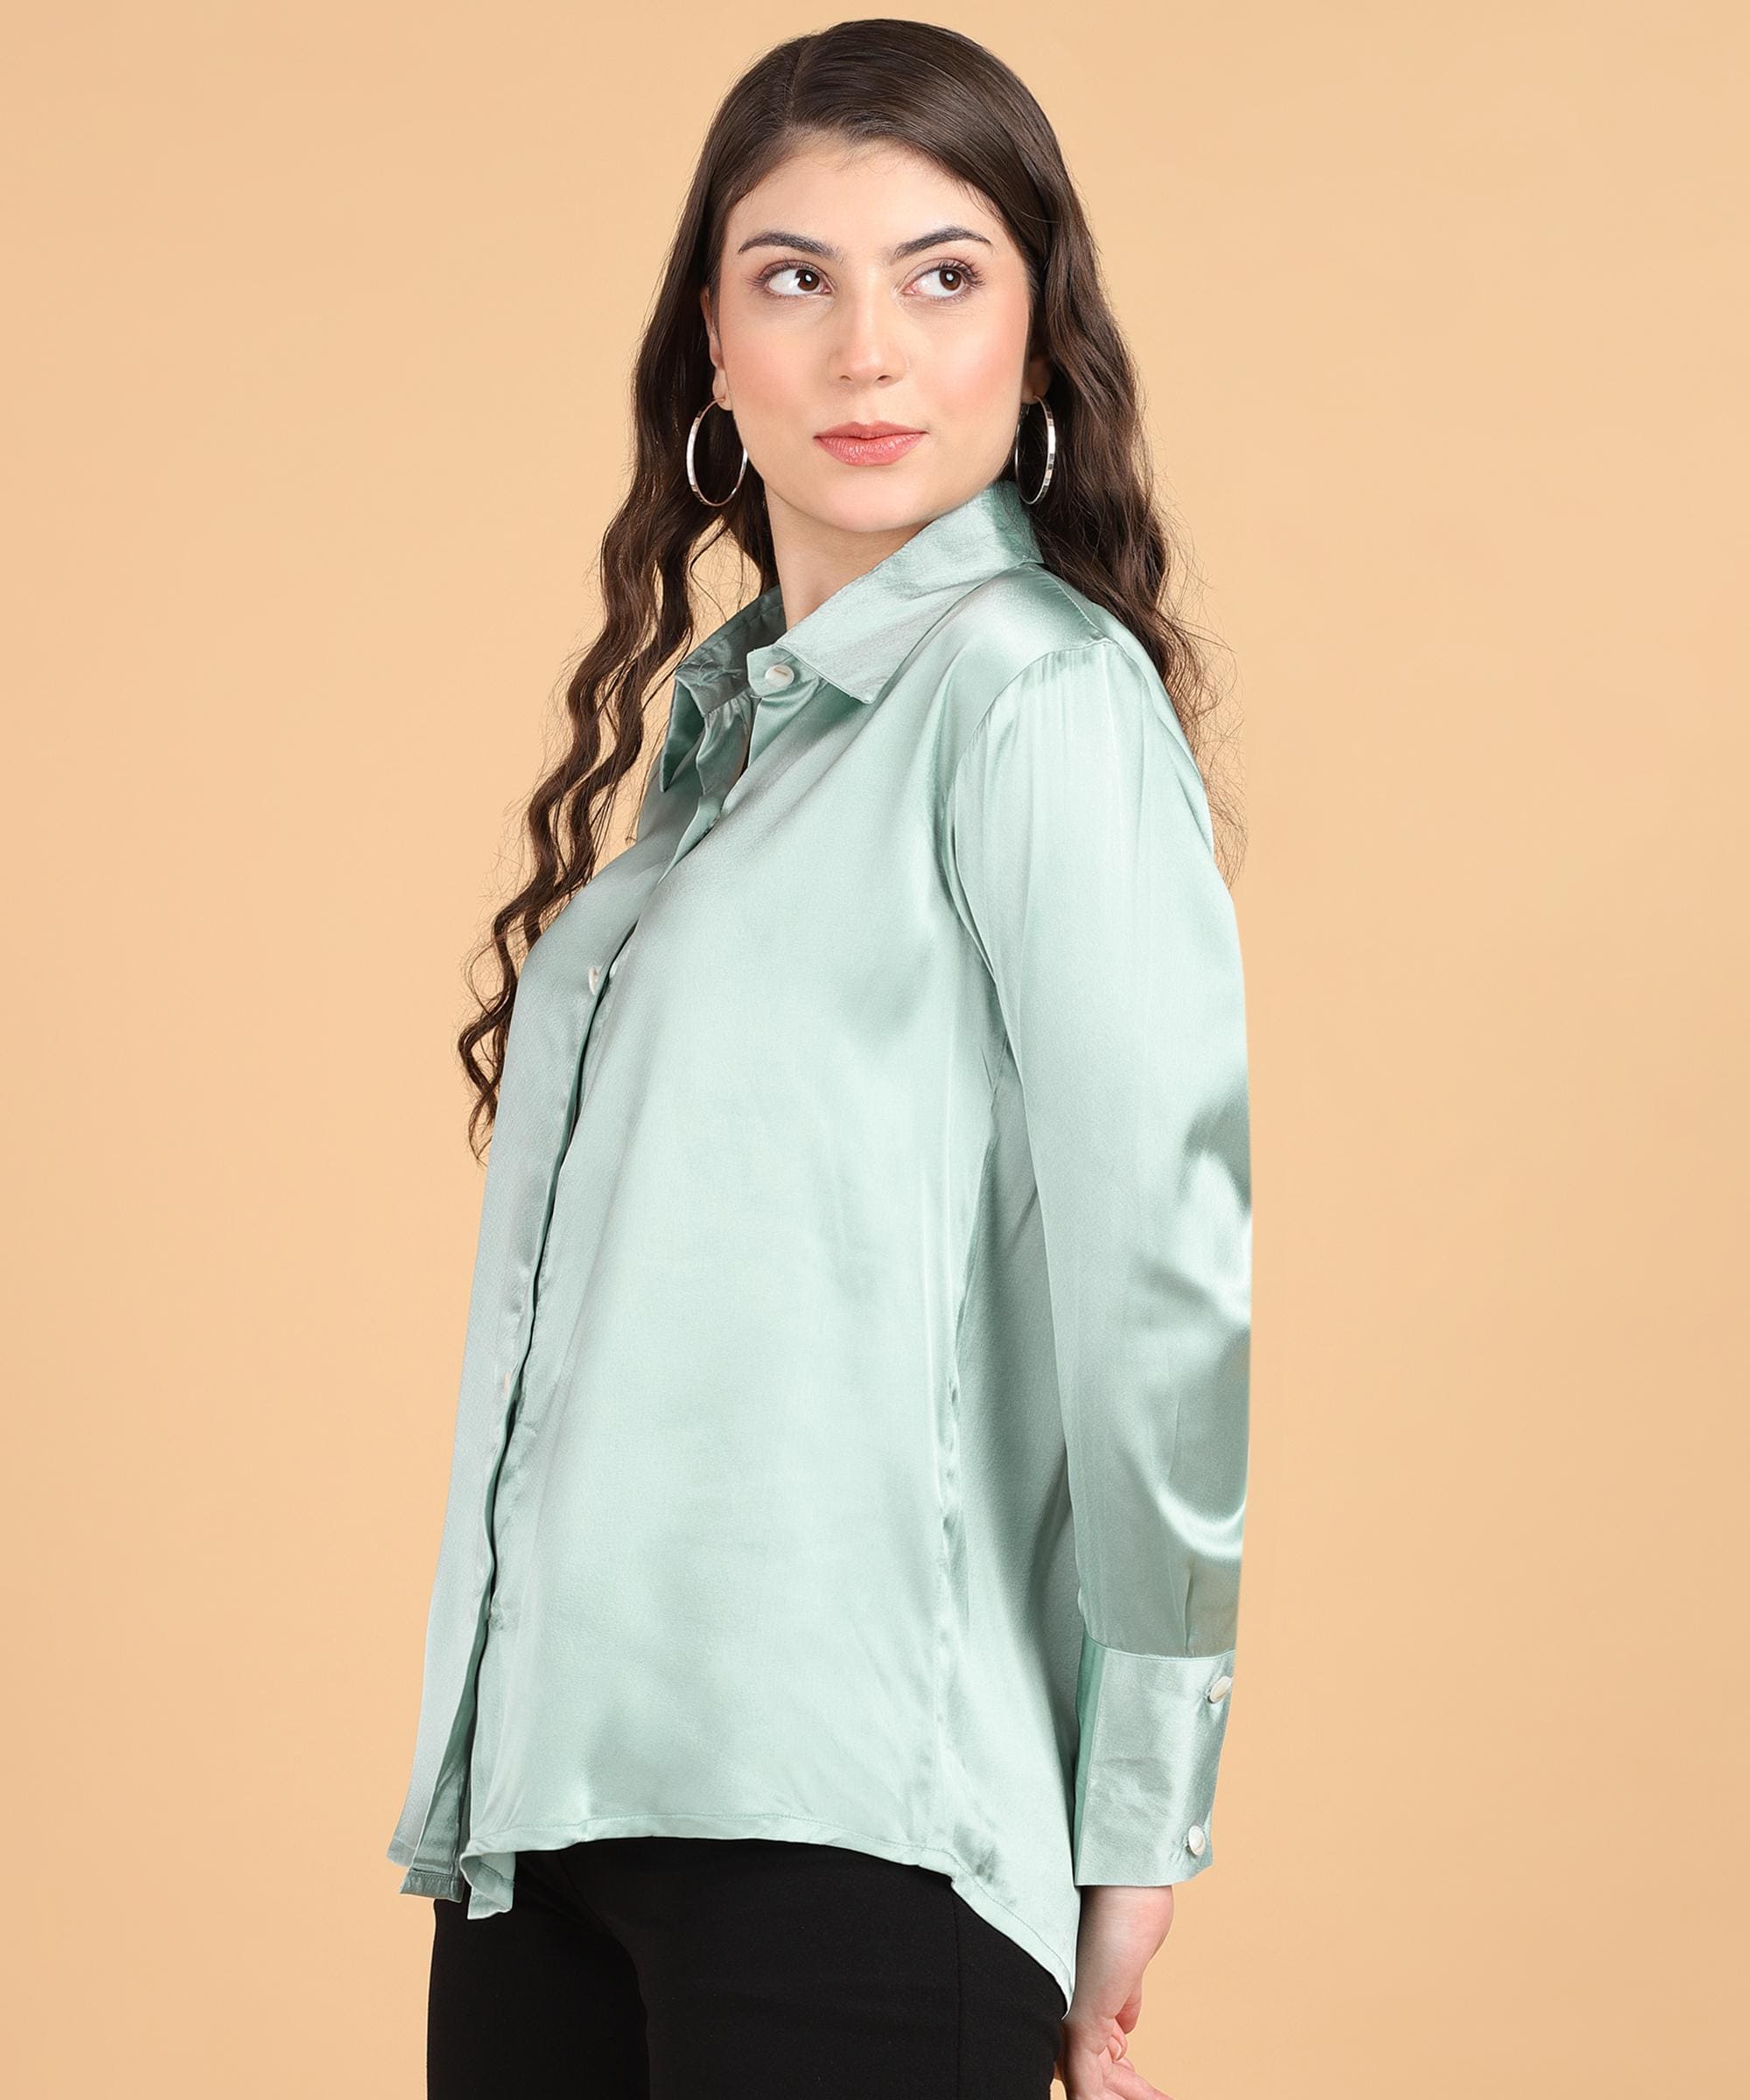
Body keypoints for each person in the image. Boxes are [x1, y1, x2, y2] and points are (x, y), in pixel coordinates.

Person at [386, 20, 1252, 2099]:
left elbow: (1159, 1279)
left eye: (942, 276)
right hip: (551, 1826)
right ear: (714, 337)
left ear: (1037, 338)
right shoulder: (724, 755)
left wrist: (1138, 1814)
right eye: (795, 277)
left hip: (858, 1820)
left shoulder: (1033, 698)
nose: (868, 353)